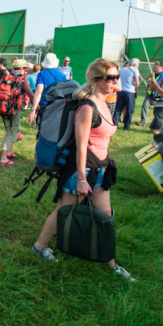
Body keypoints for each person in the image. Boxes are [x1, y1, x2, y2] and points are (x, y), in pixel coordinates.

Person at [31, 59, 134, 281]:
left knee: (105, 214)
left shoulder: (107, 102)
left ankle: (110, 262)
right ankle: (40, 245)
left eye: (117, 77)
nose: (116, 81)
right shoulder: (87, 107)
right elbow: (80, 146)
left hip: (100, 167)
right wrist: (80, 179)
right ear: (96, 80)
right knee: (64, 209)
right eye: (111, 77)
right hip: (82, 170)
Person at [0, 59, 28, 166]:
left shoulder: (7, 76)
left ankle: (9, 151)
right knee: (11, 131)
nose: (25, 71)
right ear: (21, 68)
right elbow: (29, 92)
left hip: (4, 107)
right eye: (25, 69)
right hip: (15, 109)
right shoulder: (22, 79)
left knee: (14, 128)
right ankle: (3, 157)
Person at [26, 53, 68, 125]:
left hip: (45, 105)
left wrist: (33, 109)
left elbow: (39, 92)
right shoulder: (62, 75)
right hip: (58, 105)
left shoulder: (42, 74)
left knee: (44, 128)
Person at [113, 58, 140, 131]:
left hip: (120, 91)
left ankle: (115, 124)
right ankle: (126, 126)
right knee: (129, 110)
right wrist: (136, 85)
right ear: (134, 64)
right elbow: (136, 82)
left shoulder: (122, 69)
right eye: (138, 65)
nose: (138, 66)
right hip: (130, 92)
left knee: (118, 109)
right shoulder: (135, 70)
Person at [136, 62, 163, 127]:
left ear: (162, 68)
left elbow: (157, 86)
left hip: (157, 95)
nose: (154, 69)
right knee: (145, 106)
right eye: (154, 67)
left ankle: (156, 123)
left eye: (156, 67)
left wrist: (154, 98)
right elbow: (149, 85)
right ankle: (143, 121)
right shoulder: (152, 74)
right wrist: (146, 93)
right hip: (150, 94)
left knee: (156, 110)